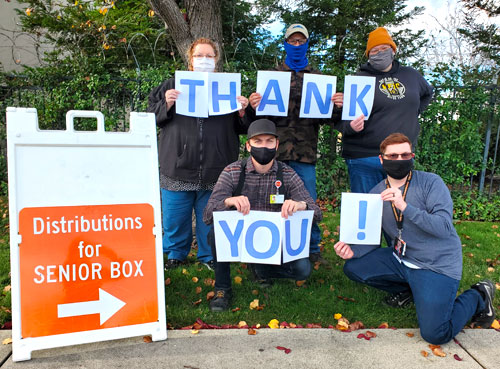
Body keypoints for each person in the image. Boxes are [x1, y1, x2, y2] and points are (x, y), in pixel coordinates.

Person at [333, 133, 496, 344]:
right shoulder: (376, 193)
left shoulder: (431, 183)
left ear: (412, 156)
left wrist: (405, 207)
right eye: (393, 156)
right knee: (354, 267)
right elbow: (371, 238)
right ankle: (408, 290)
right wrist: (354, 250)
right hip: (402, 258)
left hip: (436, 264)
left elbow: (444, 228)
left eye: (404, 155)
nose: (399, 160)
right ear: (382, 159)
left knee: (435, 334)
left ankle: (478, 295)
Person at [148, 37, 250, 270]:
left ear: (216, 60)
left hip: (217, 166)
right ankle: (175, 253)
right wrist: (166, 103)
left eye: (209, 56)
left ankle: (209, 254)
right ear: (190, 60)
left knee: (211, 217)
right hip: (177, 166)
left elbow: (243, 128)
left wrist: (243, 111)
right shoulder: (172, 84)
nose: (204, 60)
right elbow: (151, 116)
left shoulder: (226, 88)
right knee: (175, 217)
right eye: (199, 56)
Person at [247, 24, 343, 263]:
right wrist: (253, 104)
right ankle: (270, 245)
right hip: (272, 154)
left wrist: (337, 107)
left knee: (306, 201)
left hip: (305, 153)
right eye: (293, 41)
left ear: (307, 44)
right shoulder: (271, 76)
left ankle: (311, 249)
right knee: (270, 198)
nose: (297, 45)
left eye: (301, 41)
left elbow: (330, 120)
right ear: (286, 44)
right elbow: (258, 119)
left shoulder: (319, 79)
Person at [203, 119, 322, 311]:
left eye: (269, 141)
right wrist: (228, 201)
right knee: (215, 231)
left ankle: (259, 268)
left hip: (273, 239)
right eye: (258, 142)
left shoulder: (288, 174)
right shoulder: (232, 171)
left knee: (303, 270)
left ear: (276, 145)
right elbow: (208, 214)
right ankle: (222, 289)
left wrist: (301, 205)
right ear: (248, 145)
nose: (264, 146)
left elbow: (317, 213)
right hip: (239, 238)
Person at [335, 27, 434, 193]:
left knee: (398, 211)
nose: (380, 53)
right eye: (375, 50)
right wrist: (351, 127)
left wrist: (414, 112)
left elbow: (428, 93)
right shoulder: (359, 80)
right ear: (368, 54)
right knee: (367, 214)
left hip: (400, 157)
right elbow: (342, 122)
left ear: (393, 50)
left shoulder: (411, 75)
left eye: (384, 49)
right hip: (365, 158)